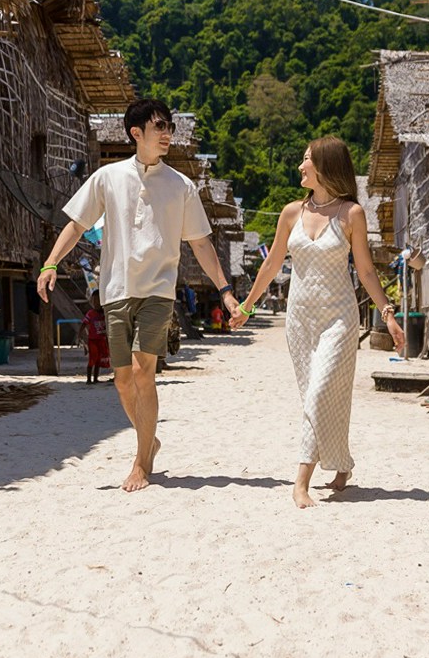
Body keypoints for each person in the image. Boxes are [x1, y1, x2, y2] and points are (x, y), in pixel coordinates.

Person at [37, 99, 240, 492]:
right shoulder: (107, 178)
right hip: (115, 289)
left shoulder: (181, 186)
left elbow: (201, 244)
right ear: (136, 133)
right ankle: (150, 438)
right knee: (122, 380)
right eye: (160, 126)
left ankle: (141, 461)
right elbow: (77, 225)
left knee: (144, 371)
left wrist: (226, 291)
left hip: (158, 291)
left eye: (170, 128)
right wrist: (49, 264)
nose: (167, 134)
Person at [233, 136, 405, 508]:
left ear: (325, 166)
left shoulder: (351, 214)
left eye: (306, 160)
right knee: (325, 396)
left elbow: (365, 271)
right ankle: (342, 463)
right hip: (299, 321)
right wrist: (246, 307)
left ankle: (300, 482)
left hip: (339, 319)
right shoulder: (291, 212)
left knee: (319, 392)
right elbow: (272, 263)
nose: (300, 166)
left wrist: (389, 314)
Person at [81, 292, 109, 385]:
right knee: (92, 358)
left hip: (102, 339)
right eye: (94, 301)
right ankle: (89, 379)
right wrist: (79, 334)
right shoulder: (90, 313)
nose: (96, 303)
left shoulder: (105, 313)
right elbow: (84, 324)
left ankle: (95, 379)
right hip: (92, 340)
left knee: (98, 359)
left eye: (98, 301)